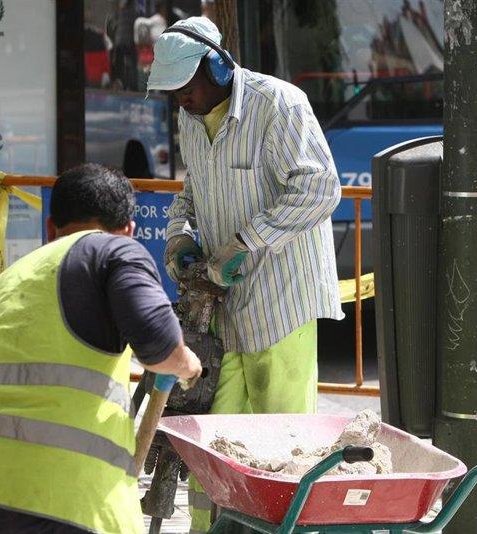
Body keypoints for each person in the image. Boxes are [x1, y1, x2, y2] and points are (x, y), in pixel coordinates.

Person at [147, 17, 344, 533]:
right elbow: (191, 194)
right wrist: (181, 236)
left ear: (217, 66)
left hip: (283, 301)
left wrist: (247, 242)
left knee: (282, 438)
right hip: (222, 304)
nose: (180, 103)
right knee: (214, 439)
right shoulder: (192, 120)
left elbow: (320, 189)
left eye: (185, 89)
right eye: (172, 95)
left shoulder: (278, 105)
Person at [0, 163, 202, 534]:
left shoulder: (12, 277)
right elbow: (159, 347)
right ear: (129, 230)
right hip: (60, 500)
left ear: (50, 229)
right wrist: (186, 363)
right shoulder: (115, 252)